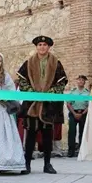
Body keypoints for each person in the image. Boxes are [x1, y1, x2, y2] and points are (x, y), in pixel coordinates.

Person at [17, 35, 68, 174]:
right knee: (30, 136)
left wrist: (49, 94)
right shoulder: (29, 63)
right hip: (32, 105)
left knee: (47, 136)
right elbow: (21, 80)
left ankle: (47, 164)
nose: (42, 47)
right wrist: (32, 93)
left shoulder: (56, 63)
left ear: (49, 47)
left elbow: (61, 82)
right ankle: (27, 164)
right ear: (36, 47)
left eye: (45, 45)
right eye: (39, 45)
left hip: (48, 106)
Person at [66, 75, 89, 157]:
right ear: (77, 81)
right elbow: (68, 104)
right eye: (79, 80)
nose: (81, 81)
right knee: (72, 132)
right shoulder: (73, 92)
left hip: (83, 113)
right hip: (73, 113)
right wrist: (74, 113)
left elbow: (89, 105)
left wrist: (82, 114)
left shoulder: (87, 93)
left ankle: (81, 150)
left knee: (83, 132)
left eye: (82, 80)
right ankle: (71, 150)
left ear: (84, 82)